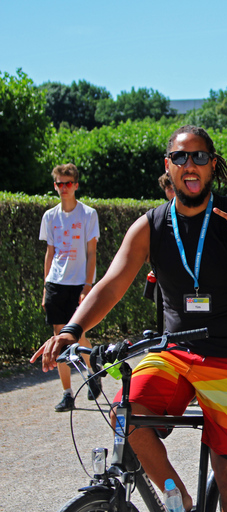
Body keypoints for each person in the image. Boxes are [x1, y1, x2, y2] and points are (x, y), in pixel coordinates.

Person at [32, 125, 227, 512]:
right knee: (124, 414)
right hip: (176, 353)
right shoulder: (151, 224)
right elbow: (112, 283)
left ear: (213, 165)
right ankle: (178, 500)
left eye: (199, 156)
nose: (190, 164)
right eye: (180, 157)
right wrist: (73, 329)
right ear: (169, 165)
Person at [39, 163, 100, 412]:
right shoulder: (50, 216)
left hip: (78, 283)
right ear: (55, 186)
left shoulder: (88, 214)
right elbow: (49, 253)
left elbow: (91, 252)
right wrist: (45, 287)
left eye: (68, 183)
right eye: (59, 184)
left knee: (77, 333)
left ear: (75, 185)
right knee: (58, 338)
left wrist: (88, 286)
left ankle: (92, 373)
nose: (63, 188)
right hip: (56, 283)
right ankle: (67, 393)